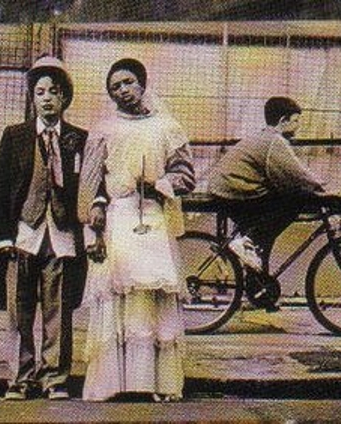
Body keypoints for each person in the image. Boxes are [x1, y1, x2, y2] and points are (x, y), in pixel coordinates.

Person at [77, 58, 196, 402]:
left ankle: (153, 382)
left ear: (142, 84)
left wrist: (158, 184)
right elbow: (91, 182)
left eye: (128, 82)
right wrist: (97, 209)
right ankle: (114, 383)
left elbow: (185, 176)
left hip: (155, 219)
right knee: (120, 294)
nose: (123, 90)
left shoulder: (167, 127)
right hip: (119, 218)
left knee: (151, 295)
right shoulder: (104, 130)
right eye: (115, 87)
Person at [0, 55, 88, 401]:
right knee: (19, 310)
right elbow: (1, 188)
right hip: (23, 234)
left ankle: (54, 379)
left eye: (54, 92)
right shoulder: (15, 136)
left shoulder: (78, 138)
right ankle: (20, 379)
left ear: (65, 98)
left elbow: (89, 186)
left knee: (57, 311)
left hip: (61, 236)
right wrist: (2, 237)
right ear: (32, 98)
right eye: (40, 92)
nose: (47, 98)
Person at [208, 96, 325, 310]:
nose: (298, 126)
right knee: (295, 202)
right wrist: (324, 189)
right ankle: (247, 242)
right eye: (296, 121)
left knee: (264, 238)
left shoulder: (265, 137)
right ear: (283, 121)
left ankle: (259, 292)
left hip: (228, 189)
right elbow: (297, 174)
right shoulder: (275, 141)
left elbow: (284, 175)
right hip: (234, 190)